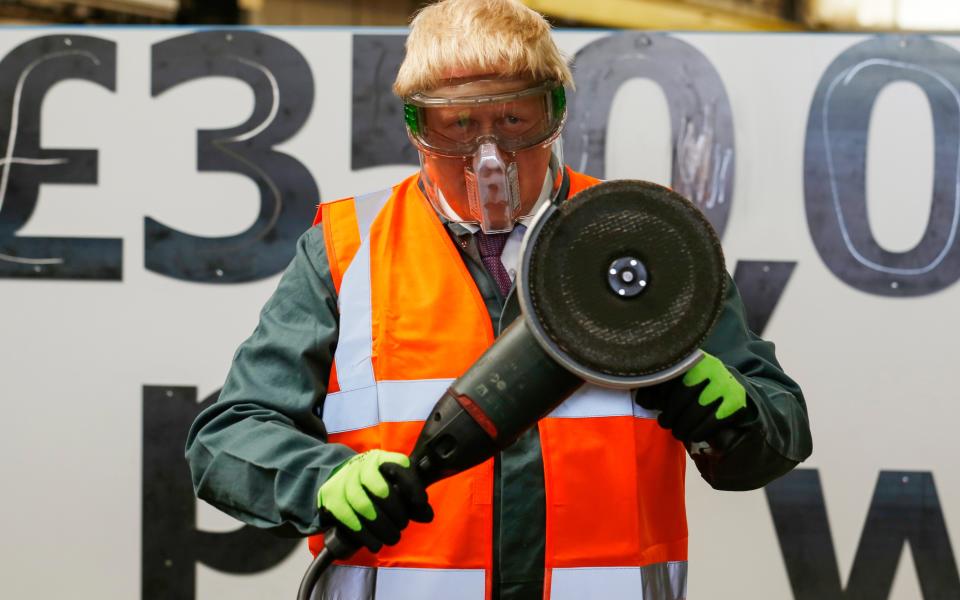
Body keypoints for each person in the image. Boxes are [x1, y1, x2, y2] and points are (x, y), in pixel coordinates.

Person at [185, 1, 812, 598]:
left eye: (515, 119)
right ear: (415, 128)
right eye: (456, 124)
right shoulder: (348, 251)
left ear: (555, 111)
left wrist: (734, 413)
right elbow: (229, 436)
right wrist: (322, 481)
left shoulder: (642, 238)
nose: (488, 156)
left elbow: (779, 428)